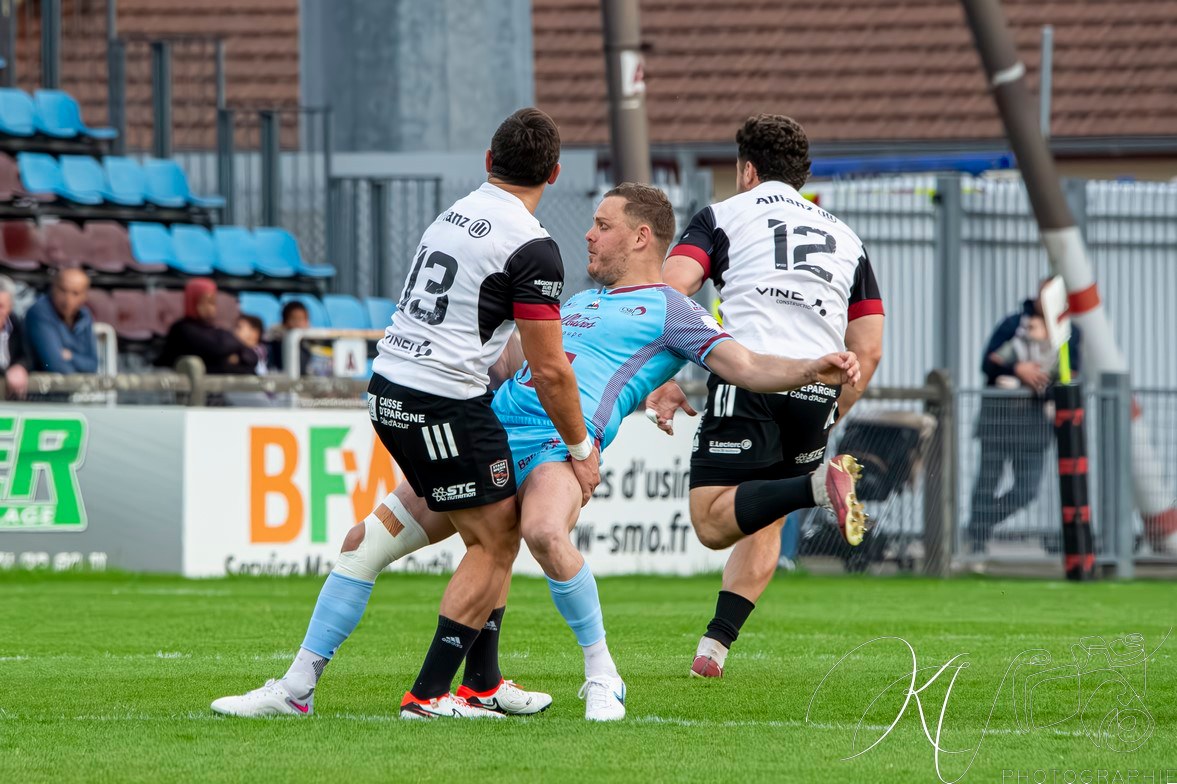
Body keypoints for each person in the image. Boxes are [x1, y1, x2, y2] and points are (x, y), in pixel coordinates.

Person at [210, 183, 861, 722]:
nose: (587, 234)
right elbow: (517, 364)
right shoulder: (577, 299)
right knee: (366, 542)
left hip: (558, 448)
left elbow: (745, 364)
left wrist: (814, 364)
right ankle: (298, 687)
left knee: (544, 531)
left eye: (602, 225)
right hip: (489, 435)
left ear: (640, 238)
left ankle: (601, 674)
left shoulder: (671, 309)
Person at [220, 107, 599, 722]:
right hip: (443, 403)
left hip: (391, 390)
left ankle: (313, 686)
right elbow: (550, 368)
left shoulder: (453, 215)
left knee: (377, 539)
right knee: (497, 539)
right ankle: (428, 697)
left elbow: (477, 330)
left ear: (487, 161)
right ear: (554, 174)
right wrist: (582, 450)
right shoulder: (533, 246)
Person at [650, 114, 885, 680]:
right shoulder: (846, 238)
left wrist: (660, 375)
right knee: (769, 515)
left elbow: (668, 291)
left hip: (752, 376)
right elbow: (870, 348)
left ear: (747, 169)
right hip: (819, 385)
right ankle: (714, 650)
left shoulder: (724, 215)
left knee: (710, 522)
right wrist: (834, 412)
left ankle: (812, 486)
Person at [966, 285, 1081, 552]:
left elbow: (1071, 375)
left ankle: (978, 525)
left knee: (1026, 490)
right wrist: (1018, 369)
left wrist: (1043, 385)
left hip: (1035, 424)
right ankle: (977, 541)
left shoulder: (1068, 335)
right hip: (998, 419)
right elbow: (988, 363)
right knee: (987, 481)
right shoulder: (1013, 325)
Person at [155, 279, 258, 374]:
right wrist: (231, 354)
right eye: (204, 302)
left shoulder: (214, 330)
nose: (210, 308)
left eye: (212, 302)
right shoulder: (182, 329)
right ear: (192, 301)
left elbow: (252, 358)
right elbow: (217, 348)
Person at [24, 268, 99, 374]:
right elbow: (55, 365)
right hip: (41, 389)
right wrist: (79, 364)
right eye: (63, 290)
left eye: (75, 293)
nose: (68, 299)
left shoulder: (85, 315)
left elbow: (93, 365)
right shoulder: (39, 312)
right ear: (53, 287)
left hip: (73, 389)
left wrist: (71, 356)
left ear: (84, 296)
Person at [0, 275, 30, 398]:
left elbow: (28, 355)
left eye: (1, 306)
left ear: (10, 307)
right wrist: (6, 373)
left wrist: (20, 366)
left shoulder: (16, 325)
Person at [266, 301, 310, 375]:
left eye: (302, 319)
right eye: (294, 319)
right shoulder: (276, 344)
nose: (298, 323)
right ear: (284, 322)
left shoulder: (312, 342)